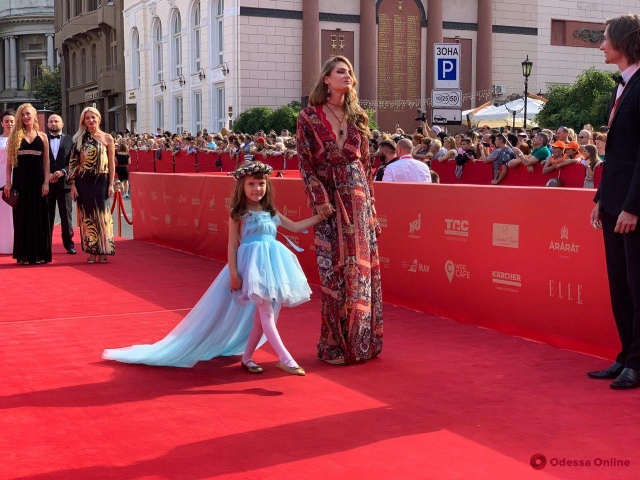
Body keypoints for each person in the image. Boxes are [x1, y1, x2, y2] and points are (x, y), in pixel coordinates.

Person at [104, 162, 322, 375]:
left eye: (261, 184)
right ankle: (286, 359)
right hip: (251, 267)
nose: (257, 188)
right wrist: (234, 274)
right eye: (251, 184)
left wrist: (320, 216)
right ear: (242, 187)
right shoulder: (239, 213)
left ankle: (247, 357)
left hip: (271, 266)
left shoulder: (271, 211)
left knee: (261, 316)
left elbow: (295, 226)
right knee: (266, 313)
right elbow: (232, 245)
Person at [296, 55, 383, 364]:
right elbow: (305, 162)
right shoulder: (308, 117)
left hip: (358, 201)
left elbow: (366, 166)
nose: (348, 76)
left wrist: (371, 207)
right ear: (326, 79)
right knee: (334, 274)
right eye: (341, 72)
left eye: (350, 73)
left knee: (360, 272)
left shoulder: (359, 116)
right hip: (329, 203)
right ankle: (334, 344)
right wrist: (319, 199)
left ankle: (361, 343)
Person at [588, 14, 640, 389]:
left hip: (633, 208)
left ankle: (637, 363)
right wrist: (600, 197)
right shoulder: (621, 86)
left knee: (638, 287)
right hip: (612, 204)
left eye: (605, 38)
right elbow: (617, 154)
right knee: (619, 286)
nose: (601, 45)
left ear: (623, 41)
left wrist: (634, 206)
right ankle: (626, 357)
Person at [3, 103, 51, 264]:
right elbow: (9, 163)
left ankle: (39, 254)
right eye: (22, 114)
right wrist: (8, 183)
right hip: (20, 181)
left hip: (38, 181)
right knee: (22, 217)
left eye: (28, 114)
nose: (25, 117)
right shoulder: (15, 136)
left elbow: (46, 161)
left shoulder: (43, 136)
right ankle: (23, 255)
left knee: (39, 216)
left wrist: (46, 182)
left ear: (34, 115)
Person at [68, 107, 115, 264]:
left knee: (102, 216)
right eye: (87, 118)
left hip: (101, 180)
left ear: (99, 118)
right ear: (83, 121)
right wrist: (73, 185)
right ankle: (92, 251)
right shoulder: (79, 139)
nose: (91, 120)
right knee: (87, 217)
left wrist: (111, 184)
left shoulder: (108, 138)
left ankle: (103, 250)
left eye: (93, 117)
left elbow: (111, 163)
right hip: (83, 181)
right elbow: (73, 163)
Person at [47, 114, 75, 254]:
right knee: (47, 216)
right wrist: (48, 174)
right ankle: (46, 245)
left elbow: (73, 161)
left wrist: (63, 171)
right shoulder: (42, 139)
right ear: (47, 124)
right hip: (47, 185)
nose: (53, 123)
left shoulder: (70, 140)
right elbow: (40, 161)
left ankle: (69, 244)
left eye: (56, 121)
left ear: (62, 124)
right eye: (51, 121)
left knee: (66, 216)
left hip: (64, 184)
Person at [0, 109, 15, 254]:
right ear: (1, 123)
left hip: (17, 177)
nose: (9, 124)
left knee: (15, 210)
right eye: (6, 121)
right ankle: (3, 244)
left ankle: (17, 244)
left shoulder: (20, 140)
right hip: (1, 177)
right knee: (2, 211)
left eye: (12, 121)